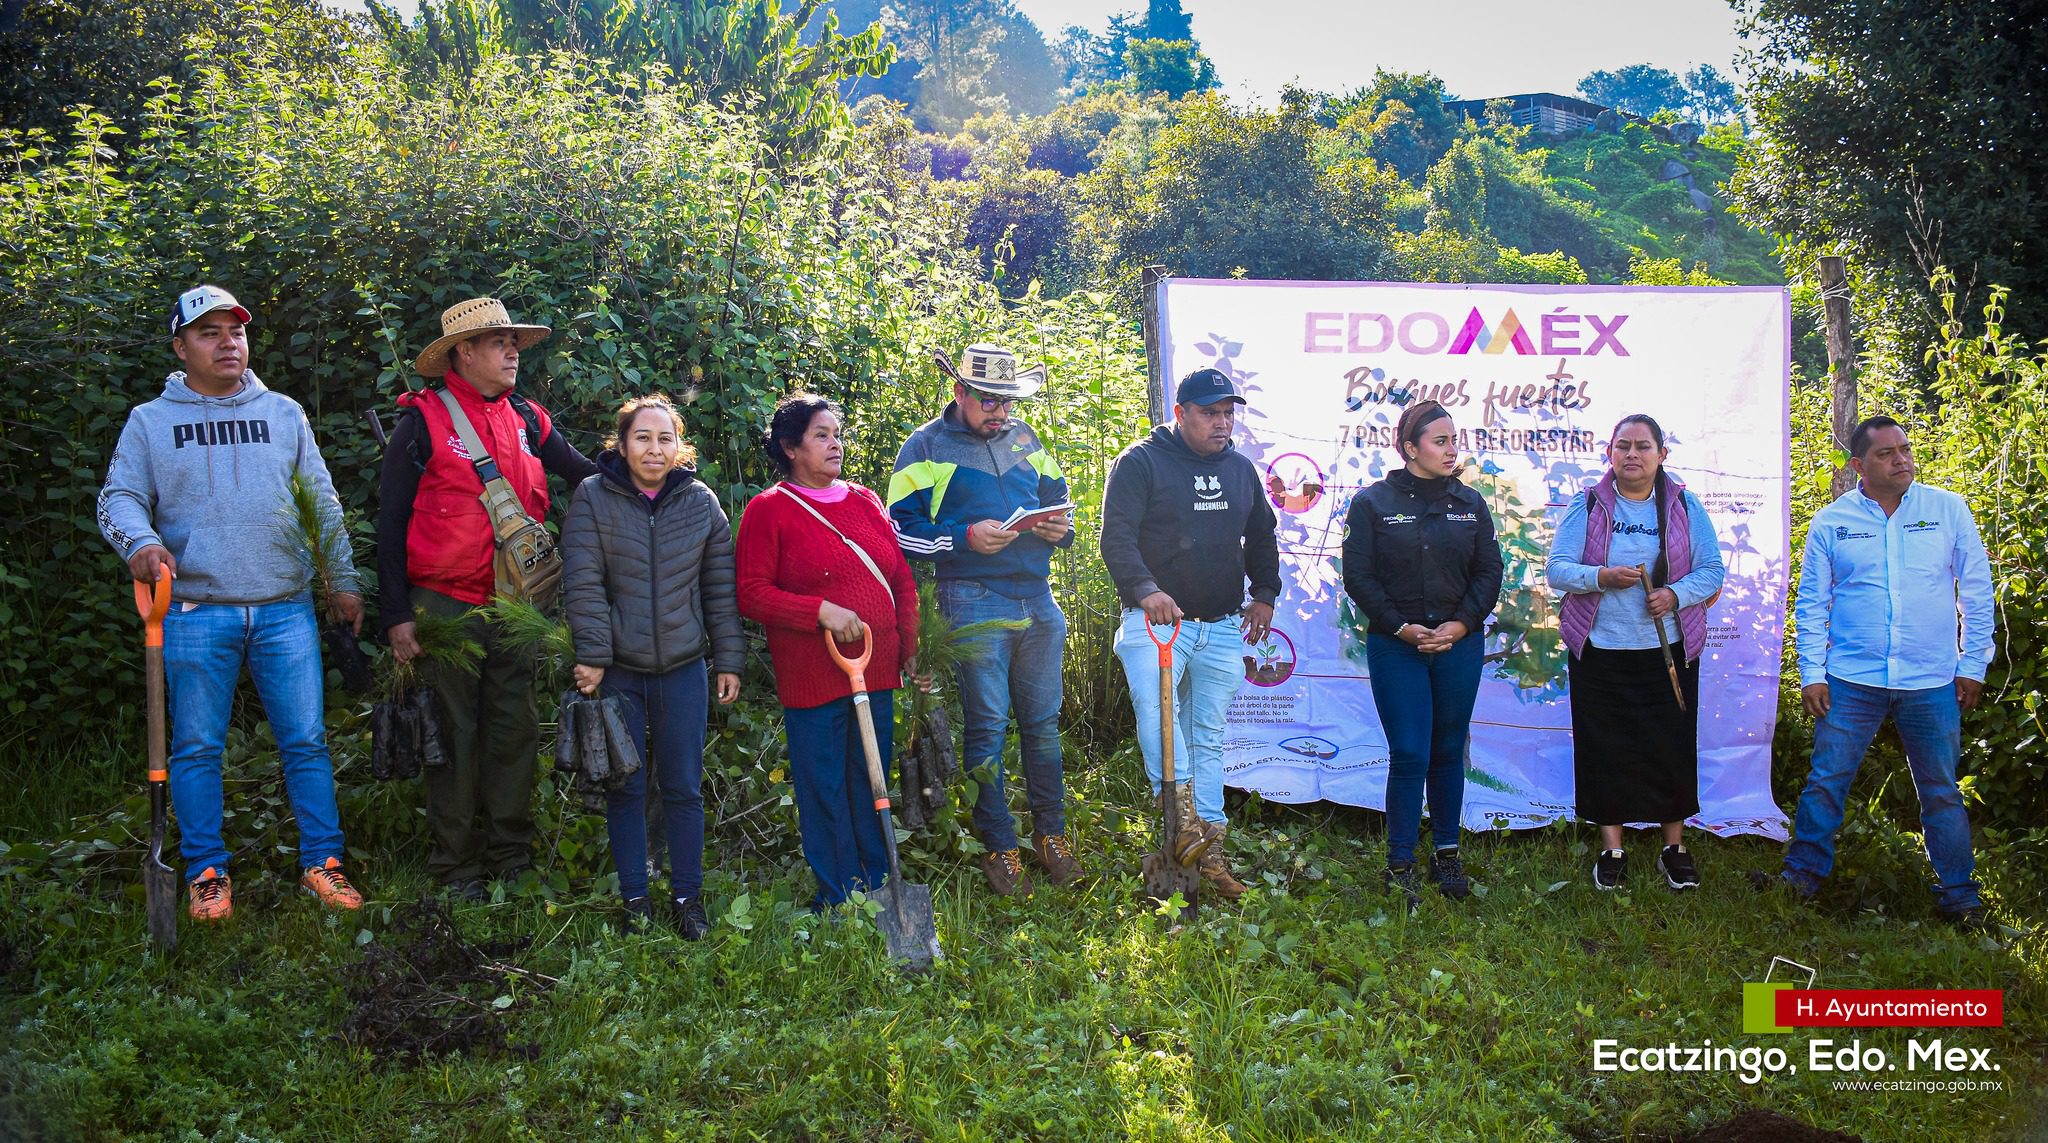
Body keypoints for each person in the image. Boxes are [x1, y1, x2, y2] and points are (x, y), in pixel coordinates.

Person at [97, 285, 366, 920]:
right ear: (180, 346)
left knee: (304, 740)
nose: (227, 343)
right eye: (209, 333)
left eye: (236, 332)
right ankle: (206, 872)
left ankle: (322, 863)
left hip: (285, 606)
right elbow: (119, 498)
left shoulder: (283, 414)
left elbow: (322, 503)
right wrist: (140, 542)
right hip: (194, 609)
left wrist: (342, 578)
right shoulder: (151, 422)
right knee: (195, 747)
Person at [376, 298, 598, 901]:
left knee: (515, 728)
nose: (510, 353)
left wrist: (655, 466)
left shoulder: (528, 417)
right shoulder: (421, 422)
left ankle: (511, 858)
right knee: (452, 733)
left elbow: (584, 473)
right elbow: (389, 522)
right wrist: (396, 614)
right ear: (463, 353)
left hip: (517, 606)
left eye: (513, 343)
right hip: (443, 605)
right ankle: (456, 867)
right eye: (497, 342)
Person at [1779, 415, 1994, 928]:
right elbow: (1812, 603)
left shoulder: (1947, 510)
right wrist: (1812, 672)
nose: (1902, 459)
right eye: (1886, 453)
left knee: (1940, 789)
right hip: (1852, 681)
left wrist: (1973, 664)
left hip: (1931, 680)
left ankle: (1959, 897)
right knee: (1827, 780)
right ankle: (1801, 880)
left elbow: (1977, 591)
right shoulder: (1833, 522)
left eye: (1905, 449)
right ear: (1859, 465)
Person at [889, 345, 1078, 897]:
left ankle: (1051, 836)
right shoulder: (923, 447)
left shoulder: (1026, 440)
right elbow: (899, 532)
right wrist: (962, 538)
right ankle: (998, 843)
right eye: (989, 401)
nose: (1000, 412)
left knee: (1043, 723)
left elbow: (1061, 506)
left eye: (1007, 401)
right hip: (970, 597)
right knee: (989, 726)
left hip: (1038, 597)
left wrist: (1057, 530)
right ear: (960, 393)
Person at [561, 395, 743, 936]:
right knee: (627, 786)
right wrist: (592, 656)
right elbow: (584, 581)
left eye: (665, 438)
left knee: (684, 786)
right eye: (642, 437)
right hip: (619, 668)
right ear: (621, 444)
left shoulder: (701, 502)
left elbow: (719, 589)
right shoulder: (593, 498)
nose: (654, 449)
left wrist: (728, 657)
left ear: (679, 446)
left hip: (685, 667)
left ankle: (688, 898)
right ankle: (635, 899)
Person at [1101, 367, 1281, 901]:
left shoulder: (1241, 470)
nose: (1222, 423)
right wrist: (1144, 588)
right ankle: (1182, 827)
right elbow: (1117, 538)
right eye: (1210, 413)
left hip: (1223, 626)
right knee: (1160, 721)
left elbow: (1263, 535)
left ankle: (1211, 850)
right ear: (1180, 414)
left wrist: (1265, 594)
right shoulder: (1141, 463)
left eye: (1228, 413)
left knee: (1208, 735)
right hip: (1156, 626)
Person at [736, 393, 919, 911]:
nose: (835, 443)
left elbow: (899, 576)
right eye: (821, 434)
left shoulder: (864, 500)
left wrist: (908, 644)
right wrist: (820, 612)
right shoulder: (769, 510)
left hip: (876, 669)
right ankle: (837, 893)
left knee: (872, 778)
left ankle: (879, 882)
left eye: (837, 433)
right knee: (825, 784)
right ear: (791, 447)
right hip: (815, 674)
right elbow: (751, 592)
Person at [1546, 414, 1724, 891]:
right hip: (1601, 648)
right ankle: (1612, 849)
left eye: (1643, 446)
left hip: (1669, 651)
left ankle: (1674, 848)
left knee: (1670, 744)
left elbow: (1711, 570)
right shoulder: (1588, 504)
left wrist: (1674, 596)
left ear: (1661, 455)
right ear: (1609, 453)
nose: (1632, 454)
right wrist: (1600, 577)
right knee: (1605, 747)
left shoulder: (1685, 505)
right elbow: (1558, 570)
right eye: (1622, 445)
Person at [1340, 399, 1504, 908]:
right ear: (1410, 448)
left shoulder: (1471, 504)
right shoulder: (1372, 503)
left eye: (1454, 440)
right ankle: (1400, 863)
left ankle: (1448, 854)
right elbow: (1359, 577)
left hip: (1458, 644)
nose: (1451, 449)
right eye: (1440, 441)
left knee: (1448, 749)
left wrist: (1459, 624)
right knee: (1410, 752)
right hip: (1397, 646)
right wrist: (1401, 627)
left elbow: (1488, 573)